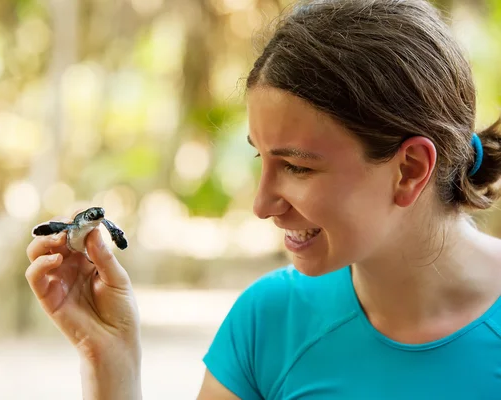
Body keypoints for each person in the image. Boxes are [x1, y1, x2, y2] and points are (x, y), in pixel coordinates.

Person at [25, 0, 501, 398]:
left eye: (297, 166)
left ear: (410, 169)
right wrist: (111, 360)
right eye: (261, 158)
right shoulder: (269, 320)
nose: (261, 204)